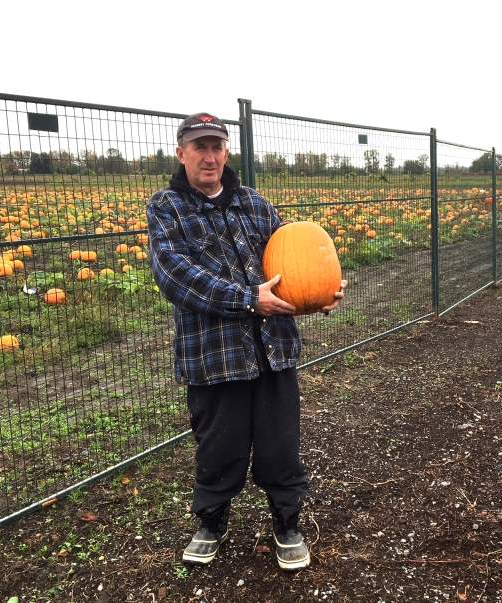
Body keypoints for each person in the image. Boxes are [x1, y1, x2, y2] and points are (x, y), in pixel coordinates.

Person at [146, 113, 346, 571]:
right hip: (213, 355)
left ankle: (287, 522)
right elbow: (176, 277)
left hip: (271, 349)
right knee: (219, 445)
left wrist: (319, 294)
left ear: (226, 153)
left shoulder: (255, 204)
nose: (210, 156)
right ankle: (211, 521)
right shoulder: (167, 209)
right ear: (182, 154)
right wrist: (247, 300)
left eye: (216, 146)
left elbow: (288, 263)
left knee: (281, 444)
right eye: (200, 148)